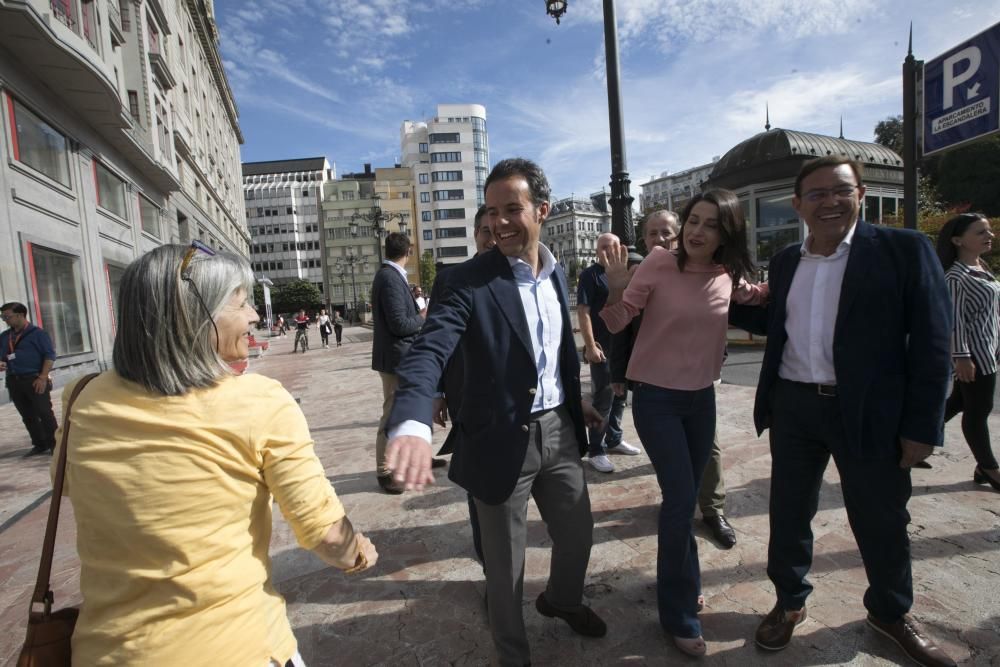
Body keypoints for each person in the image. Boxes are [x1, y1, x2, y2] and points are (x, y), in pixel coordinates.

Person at [52, 242, 377, 665]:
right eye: (240, 304)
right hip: (238, 647)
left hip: (105, 652)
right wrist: (358, 553)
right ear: (193, 317)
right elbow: (327, 536)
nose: (255, 316)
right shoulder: (259, 401)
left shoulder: (81, 396)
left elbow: (67, 487)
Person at [729, 156, 956, 667]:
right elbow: (778, 324)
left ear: (862, 193)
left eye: (841, 190)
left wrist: (923, 426)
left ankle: (890, 612)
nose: (830, 201)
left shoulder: (903, 250)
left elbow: (932, 342)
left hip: (871, 413)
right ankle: (789, 601)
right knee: (789, 513)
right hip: (794, 408)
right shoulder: (787, 260)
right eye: (817, 194)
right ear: (798, 204)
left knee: (881, 518)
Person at [385, 158, 608, 666]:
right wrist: (415, 418)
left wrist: (579, 402)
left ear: (542, 211)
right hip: (498, 438)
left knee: (578, 535)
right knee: (505, 569)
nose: (500, 221)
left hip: (560, 432)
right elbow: (429, 350)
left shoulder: (555, 274)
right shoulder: (465, 280)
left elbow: (555, 353)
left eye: (513, 209)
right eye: (492, 210)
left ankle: (563, 600)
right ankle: (513, 655)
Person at [599, 189, 767, 657]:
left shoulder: (726, 273)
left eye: (710, 224)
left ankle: (683, 578)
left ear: (726, 232)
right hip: (656, 399)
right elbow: (616, 323)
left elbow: (758, 294)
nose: (696, 231)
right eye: (693, 220)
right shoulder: (657, 263)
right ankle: (678, 614)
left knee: (689, 499)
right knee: (677, 501)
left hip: (701, 400)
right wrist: (615, 285)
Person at [609, 211, 738, 549]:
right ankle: (681, 520)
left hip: (698, 382)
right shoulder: (645, 270)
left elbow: (726, 301)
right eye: (652, 234)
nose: (659, 239)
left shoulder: (714, 269)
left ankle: (712, 510)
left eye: (666, 232)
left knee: (708, 451)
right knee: (678, 485)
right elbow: (621, 328)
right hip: (657, 385)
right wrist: (617, 374)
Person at [429, 204, 495, 566]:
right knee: (477, 476)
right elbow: (436, 339)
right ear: (475, 235)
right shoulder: (453, 279)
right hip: (465, 392)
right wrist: (437, 392)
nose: (490, 236)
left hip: (513, 399)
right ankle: (487, 555)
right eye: (483, 230)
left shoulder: (518, 276)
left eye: (494, 229)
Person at [937, 212, 1000, 492]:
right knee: (977, 412)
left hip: (989, 349)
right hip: (974, 356)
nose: (989, 236)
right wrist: (961, 356)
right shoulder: (955, 277)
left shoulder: (981, 266)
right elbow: (953, 319)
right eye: (981, 232)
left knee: (958, 403)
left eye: (988, 231)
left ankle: (909, 436)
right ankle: (988, 466)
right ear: (958, 240)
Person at [577, 232, 642, 474]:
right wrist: (590, 345)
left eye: (612, 246)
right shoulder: (590, 275)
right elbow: (583, 312)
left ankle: (613, 438)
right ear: (596, 251)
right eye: (602, 247)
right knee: (603, 399)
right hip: (603, 348)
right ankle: (596, 449)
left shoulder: (628, 272)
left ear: (621, 248)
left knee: (620, 397)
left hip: (624, 348)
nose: (607, 251)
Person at [371, 232, 425, 494]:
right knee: (392, 416)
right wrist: (423, 315)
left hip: (400, 358)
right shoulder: (390, 278)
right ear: (409, 251)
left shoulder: (391, 276)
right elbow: (400, 324)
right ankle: (384, 472)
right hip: (395, 360)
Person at [0, 302, 58, 456]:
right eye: (2, 317)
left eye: (7, 316)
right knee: (28, 416)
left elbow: (49, 356)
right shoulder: (5, 337)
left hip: (34, 379)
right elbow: (3, 356)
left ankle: (56, 445)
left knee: (44, 413)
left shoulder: (38, 334)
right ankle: (39, 444)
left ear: (20, 315)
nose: (5, 320)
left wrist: (43, 377)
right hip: (14, 380)